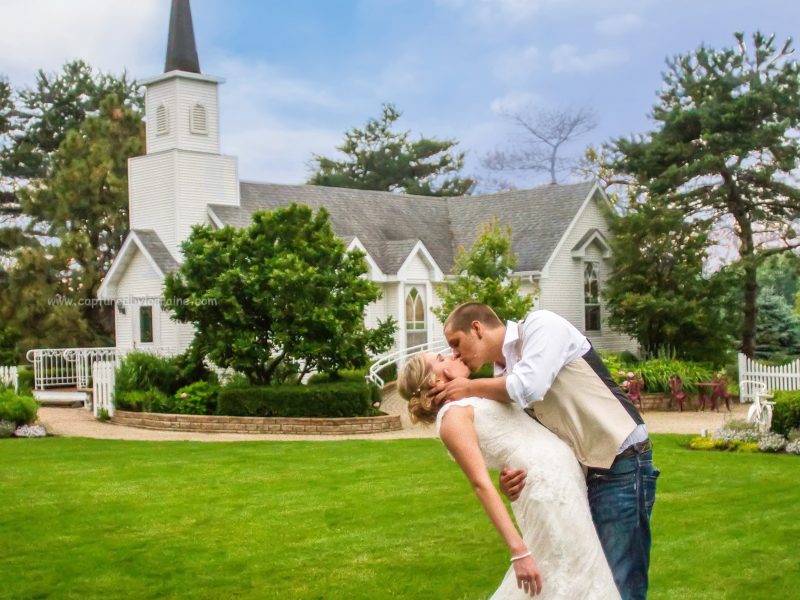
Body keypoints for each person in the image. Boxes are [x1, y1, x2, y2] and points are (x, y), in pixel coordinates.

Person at [429, 303, 658, 600]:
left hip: (621, 460)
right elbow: (534, 439)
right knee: (592, 582)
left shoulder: (541, 326)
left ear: (477, 328)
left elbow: (529, 386)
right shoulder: (502, 375)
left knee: (620, 581)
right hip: (582, 475)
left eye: (456, 344)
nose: (456, 354)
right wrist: (511, 478)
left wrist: (469, 388)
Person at [398, 352, 620, 599]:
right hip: (546, 492)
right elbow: (480, 483)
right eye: (441, 358)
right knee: (565, 571)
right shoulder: (453, 417)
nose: (453, 354)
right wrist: (518, 551)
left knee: (582, 568)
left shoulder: (475, 395)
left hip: (564, 485)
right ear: (435, 381)